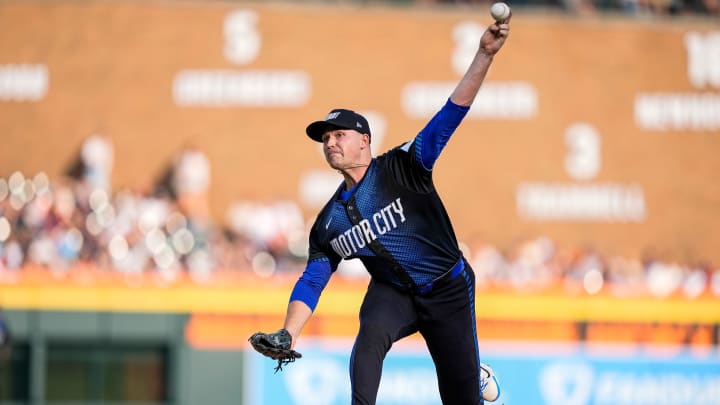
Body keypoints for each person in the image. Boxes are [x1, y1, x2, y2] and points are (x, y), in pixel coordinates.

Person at [276, 14, 510, 405]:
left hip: (447, 288)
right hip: (393, 292)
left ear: (364, 140)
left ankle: (472, 373)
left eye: (339, 135)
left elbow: (451, 113)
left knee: (462, 397)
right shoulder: (329, 222)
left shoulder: (403, 165)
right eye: (326, 139)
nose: (330, 143)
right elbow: (313, 279)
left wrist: (484, 55)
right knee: (370, 335)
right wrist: (288, 333)